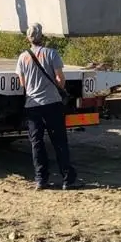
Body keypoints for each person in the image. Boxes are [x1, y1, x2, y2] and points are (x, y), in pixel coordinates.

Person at [15, 23, 80, 190]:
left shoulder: (23, 57)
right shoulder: (51, 54)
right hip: (52, 103)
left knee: (36, 142)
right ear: (42, 36)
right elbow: (60, 78)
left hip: (32, 105)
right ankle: (67, 178)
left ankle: (41, 179)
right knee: (59, 141)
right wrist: (60, 89)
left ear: (28, 38)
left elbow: (22, 82)